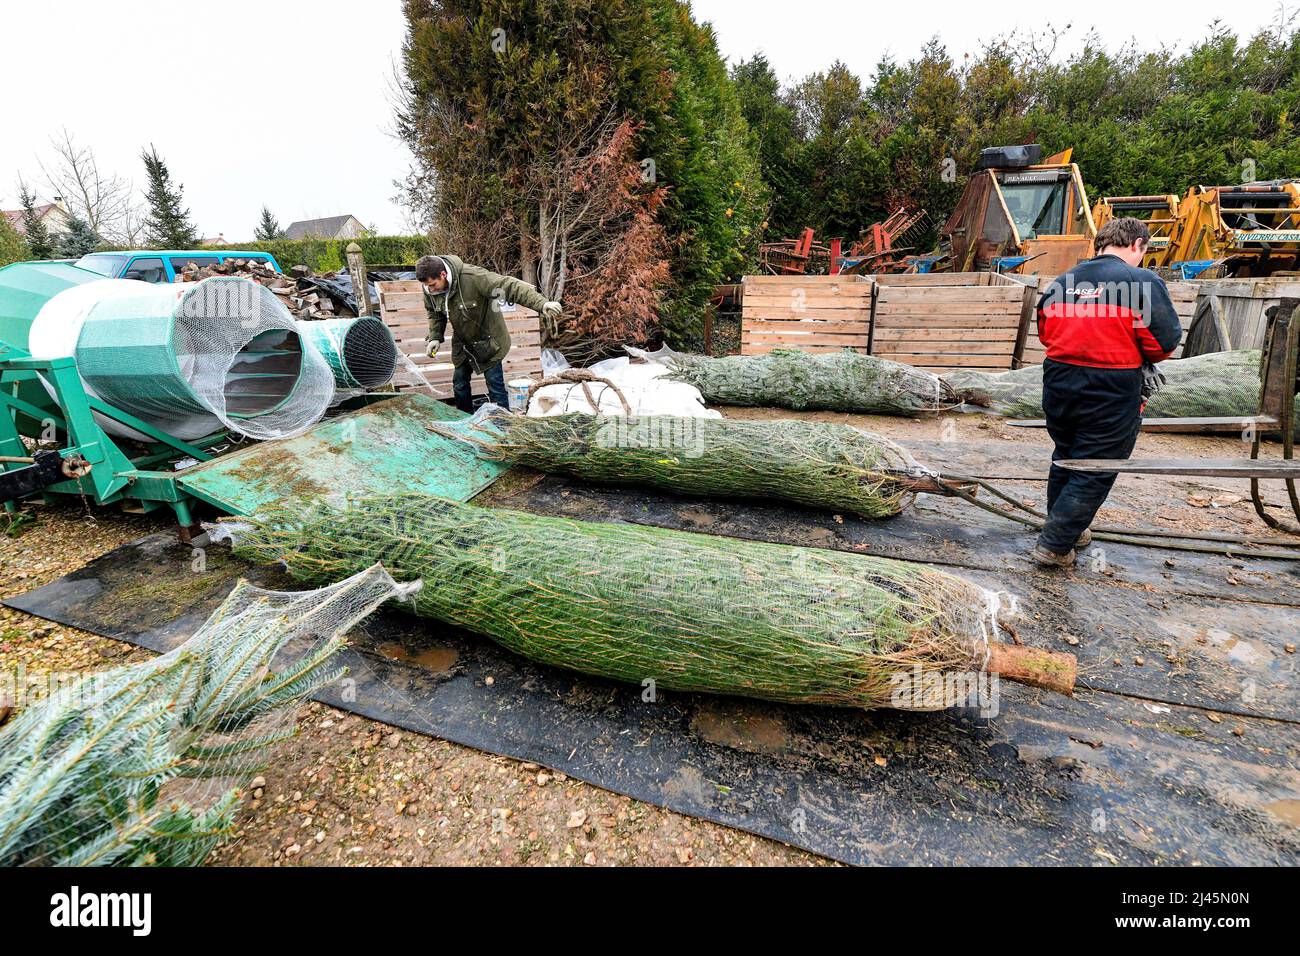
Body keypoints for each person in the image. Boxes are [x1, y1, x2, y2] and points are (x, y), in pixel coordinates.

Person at [1032, 217, 1182, 568]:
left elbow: (1045, 333)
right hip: (1112, 385)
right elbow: (1164, 344)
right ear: (1137, 245)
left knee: (1066, 454)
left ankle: (1068, 529)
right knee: (1095, 466)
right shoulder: (1141, 281)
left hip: (1058, 381)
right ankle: (1054, 545)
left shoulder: (1062, 281)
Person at [417, 255, 562, 412]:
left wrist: (542, 303)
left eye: (432, 284)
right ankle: (464, 421)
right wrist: (435, 337)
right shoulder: (429, 288)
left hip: (489, 339)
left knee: (495, 386)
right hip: (463, 342)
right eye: (427, 286)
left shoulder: (473, 277)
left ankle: (502, 426)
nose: (430, 289)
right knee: (459, 384)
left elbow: (509, 286)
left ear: (443, 274)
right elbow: (434, 313)